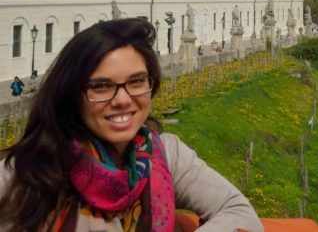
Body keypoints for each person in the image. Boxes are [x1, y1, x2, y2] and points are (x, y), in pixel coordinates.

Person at [0, 18, 262, 231]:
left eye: (136, 81)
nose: (123, 100)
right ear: (71, 93)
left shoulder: (167, 155)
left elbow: (239, 211)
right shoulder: (22, 173)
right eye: (101, 86)